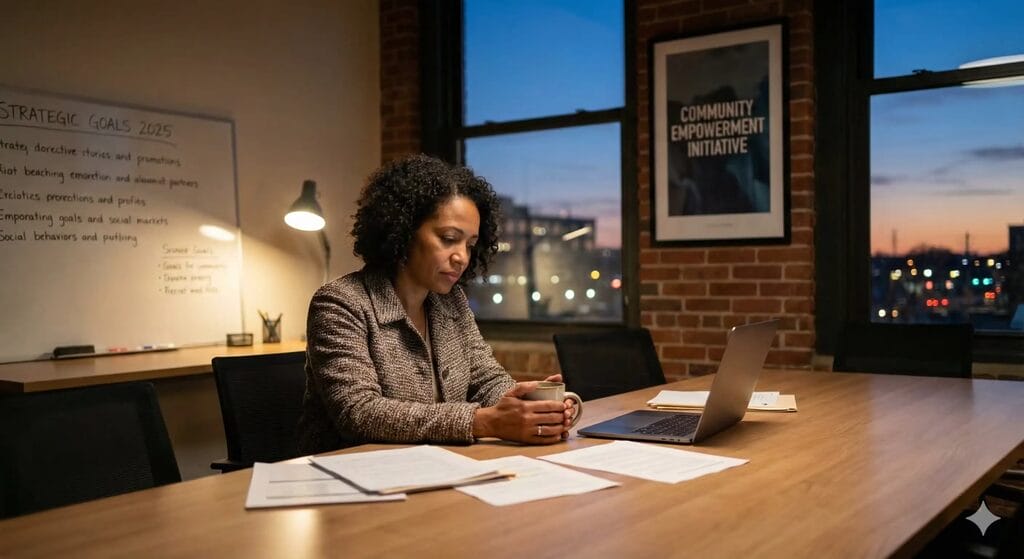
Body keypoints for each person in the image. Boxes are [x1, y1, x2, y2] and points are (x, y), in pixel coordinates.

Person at [297, 154, 573, 454]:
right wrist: (483, 422)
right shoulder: (340, 302)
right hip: (347, 477)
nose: (462, 258)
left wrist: (529, 404)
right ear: (402, 230)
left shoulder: (450, 302)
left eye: (469, 245)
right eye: (449, 238)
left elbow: (485, 379)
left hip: (433, 468)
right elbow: (359, 413)